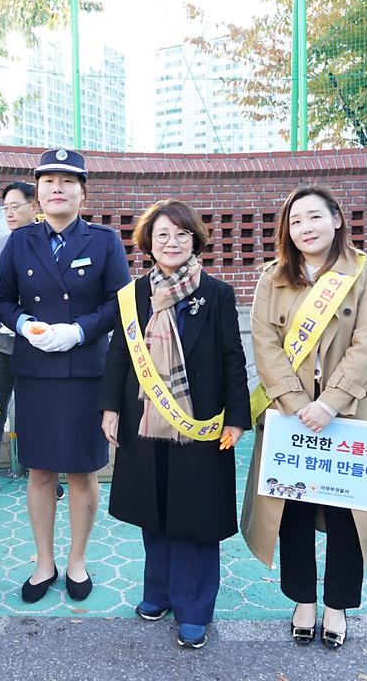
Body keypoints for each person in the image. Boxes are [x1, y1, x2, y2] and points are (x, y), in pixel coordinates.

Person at [242, 185, 367, 650]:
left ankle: (337, 606)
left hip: (351, 410)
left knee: (347, 514)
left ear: (337, 219)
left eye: (314, 217)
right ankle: (302, 601)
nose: (305, 228)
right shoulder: (271, 277)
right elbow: (265, 345)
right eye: (295, 221)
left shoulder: (365, 272)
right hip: (291, 414)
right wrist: (299, 404)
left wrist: (329, 402)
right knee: (292, 510)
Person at [99, 200, 250, 649]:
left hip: (200, 423)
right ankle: (159, 592)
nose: (171, 243)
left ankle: (195, 606)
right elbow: (119, 356)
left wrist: (238, 418)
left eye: (181, 235)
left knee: (195, 514)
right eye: (162, 235)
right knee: (155, 507)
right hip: (144, 419)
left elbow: (232, 359)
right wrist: (109, 407)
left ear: (195, 240)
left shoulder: (218, 294)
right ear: (148, 242)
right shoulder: (133, 295)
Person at [0, 148, 131, 603]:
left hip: (84, 371)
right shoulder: (19, 242)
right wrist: (23, 326)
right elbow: (2, 302)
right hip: (35, 371)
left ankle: (77, 561)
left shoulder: (105, 241)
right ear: (37, 193)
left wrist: (79, 330)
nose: (57, 189)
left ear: (82, 193)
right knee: (39, 471)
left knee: (83, 471)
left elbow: (119, 303)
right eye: (48, 181)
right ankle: (43, 562)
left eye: (68, 181)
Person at [0, 181, 37, 494]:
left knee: (36, 409)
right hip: (2, 343)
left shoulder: (46, 242)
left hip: (38, 343)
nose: (10, 213)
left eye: (16, 206)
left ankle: (43, 474)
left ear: (34, 206)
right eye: (6, 208)